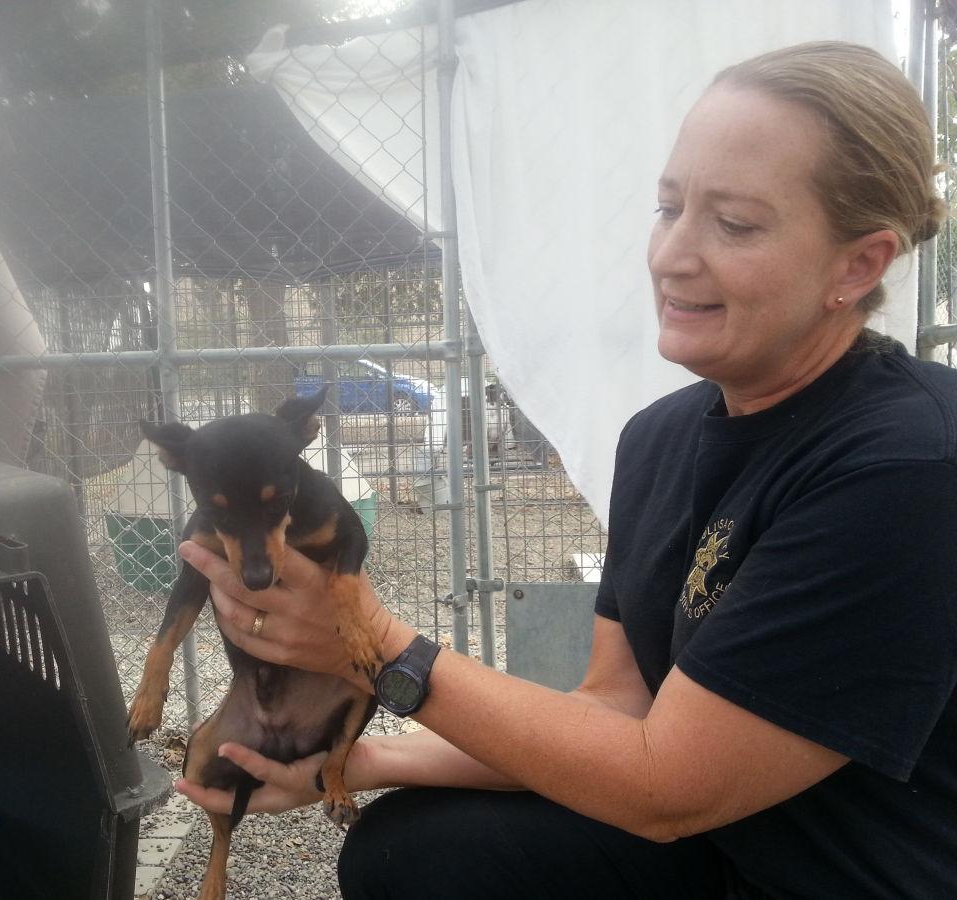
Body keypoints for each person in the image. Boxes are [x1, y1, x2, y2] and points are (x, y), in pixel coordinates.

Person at [174, 41, 957, 899]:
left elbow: (666, 785)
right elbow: (616, 712)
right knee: (409, 851)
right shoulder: (660, 439)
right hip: (714, 847)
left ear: (859, 265)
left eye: (734, 223)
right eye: (668, 208)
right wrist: (358, 761)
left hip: (846, 874)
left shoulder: (906, 466)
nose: (672, 256)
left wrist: (377, 648)